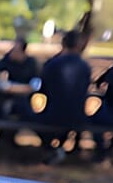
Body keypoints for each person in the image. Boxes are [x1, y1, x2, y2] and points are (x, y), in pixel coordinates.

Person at [37, 29, 92, 164]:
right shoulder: (85, 67)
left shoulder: (52, 64)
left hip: (53, 115)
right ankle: (60, 148)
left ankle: (51, 147)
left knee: (27, 115)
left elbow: (42, 88)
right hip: (78, 116)